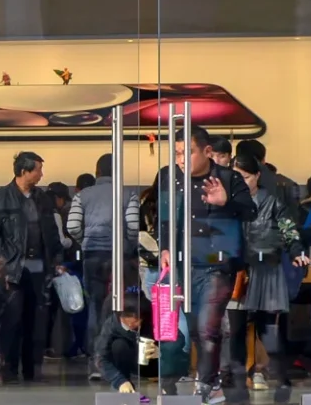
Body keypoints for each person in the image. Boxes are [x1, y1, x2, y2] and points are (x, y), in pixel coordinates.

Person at [156, 125, 252, 404]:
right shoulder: (169, 176)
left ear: (207, 152)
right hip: (185, 264)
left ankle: (206, 385)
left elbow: (251, 212)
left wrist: (226, 202)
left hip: (218, 264)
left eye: (188, 152)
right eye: (176, 153)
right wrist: (164, 246)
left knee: (208, 326)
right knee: (197, 328)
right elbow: (164, 217)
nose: (181, 160)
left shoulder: (227, 177)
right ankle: (212, 382)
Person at [0, 151, 64, 385]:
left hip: (39, 268)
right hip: (14, 269)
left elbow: (51, 233)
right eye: (37, 169)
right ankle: (8, 368)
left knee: (35, 321)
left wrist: (56, 260)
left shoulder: (42, 198)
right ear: (24, 171)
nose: (41, 174)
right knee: (11, 320)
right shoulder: (1, 198)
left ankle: (30, 369)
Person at [231, 153, 298, 404]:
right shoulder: (229, 201)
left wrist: (294, 250)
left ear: (257, 176)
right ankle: (239, 382)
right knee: (236, 329)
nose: (240, 181)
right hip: (238, 271)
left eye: (245, 177)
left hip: (265, 269)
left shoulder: (271, 201)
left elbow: (289, 230)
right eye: (236, 177)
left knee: (268, 329)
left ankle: (281, 378)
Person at [70, 152, 132, 380]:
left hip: (93, 255)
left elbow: (73, 227)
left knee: (95, 307)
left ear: (97, 172)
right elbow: (133, 227)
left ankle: (96, 364)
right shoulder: (128, 194)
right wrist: (127, 244)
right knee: (118, 307)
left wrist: (85, 240)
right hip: (119, 257)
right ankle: (117, 361)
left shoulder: (83, 195)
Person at [101, 293, 148, 400]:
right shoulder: (111, 324)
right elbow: (100, 356)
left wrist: (159, 351)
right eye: (126, 322)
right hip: (127, 358)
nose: (130, 325)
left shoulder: (152, 321)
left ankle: (167, 386)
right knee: (118, 345)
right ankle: (125, 384)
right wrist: (119, 380)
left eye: (135, 322)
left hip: (151, 362)